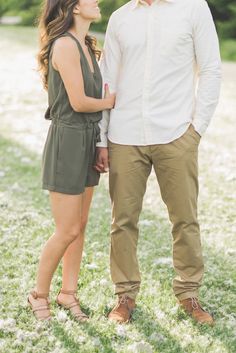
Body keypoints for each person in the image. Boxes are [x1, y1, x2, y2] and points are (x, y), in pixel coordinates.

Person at [96, 0, 221, 324]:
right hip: (125, 135)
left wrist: (197, 129)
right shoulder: (121, 18)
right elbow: (107, 78)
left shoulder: (193, 8)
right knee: (122, 221)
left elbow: (210, 68)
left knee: (185, 219)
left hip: (176, 132)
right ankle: (124, 295)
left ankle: (189, 294)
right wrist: (102, 137)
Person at [27, 0, 115, 321]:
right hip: (67, 142)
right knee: (66, 230)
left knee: (79, 226)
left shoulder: (88, 47)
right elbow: (78, 101)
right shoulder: (64, 45)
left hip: (88, 140)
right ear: (74, 7)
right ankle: (38, 295)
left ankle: (68, 294)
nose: (97, 2)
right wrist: (111, 101)